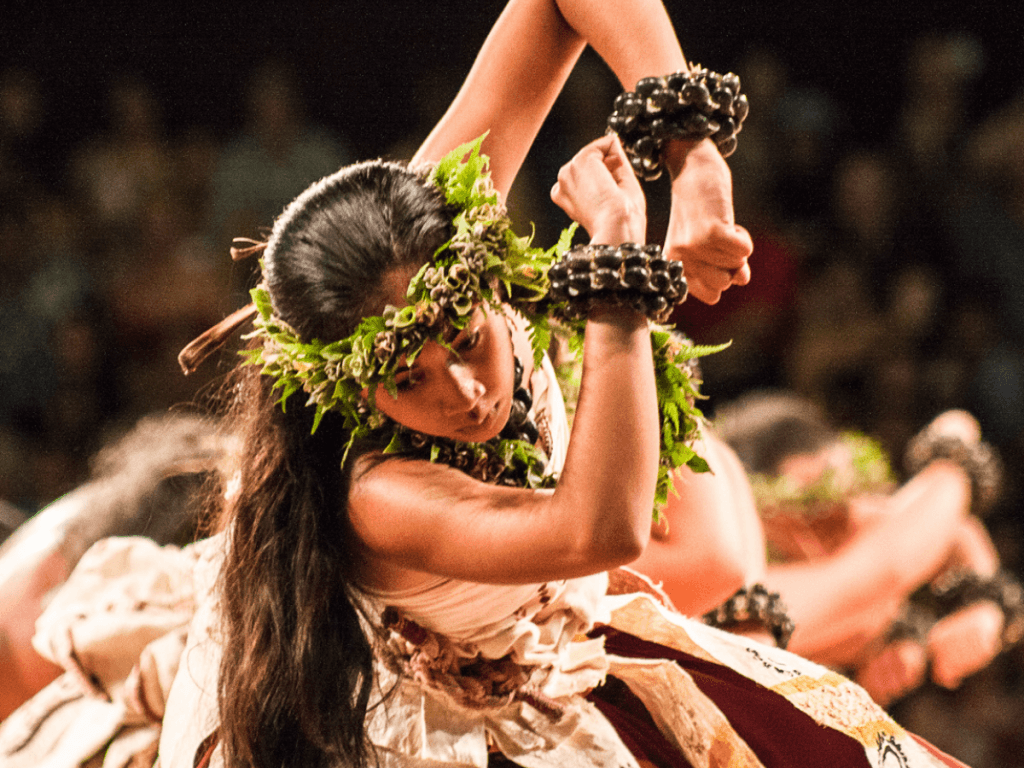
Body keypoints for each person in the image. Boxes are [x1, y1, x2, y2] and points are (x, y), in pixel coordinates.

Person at [0, 2, 971, 768]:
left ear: (468, 254)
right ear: (349, 388)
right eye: (406, 379)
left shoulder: (415, 241)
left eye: (466, 338)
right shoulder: (380, 493)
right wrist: (616, 274)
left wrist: (694, 160)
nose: (463, 391)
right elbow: (599, 529)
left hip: (562, 660)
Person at [699, 390, 1021, 707]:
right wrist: (953, 453)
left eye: (840, 516)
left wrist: (983, 603)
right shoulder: (740, 595)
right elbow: (891, 561)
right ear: (755, 513)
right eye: (815, 517)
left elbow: (951, 530)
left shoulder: (837, 573)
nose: (855, 529)